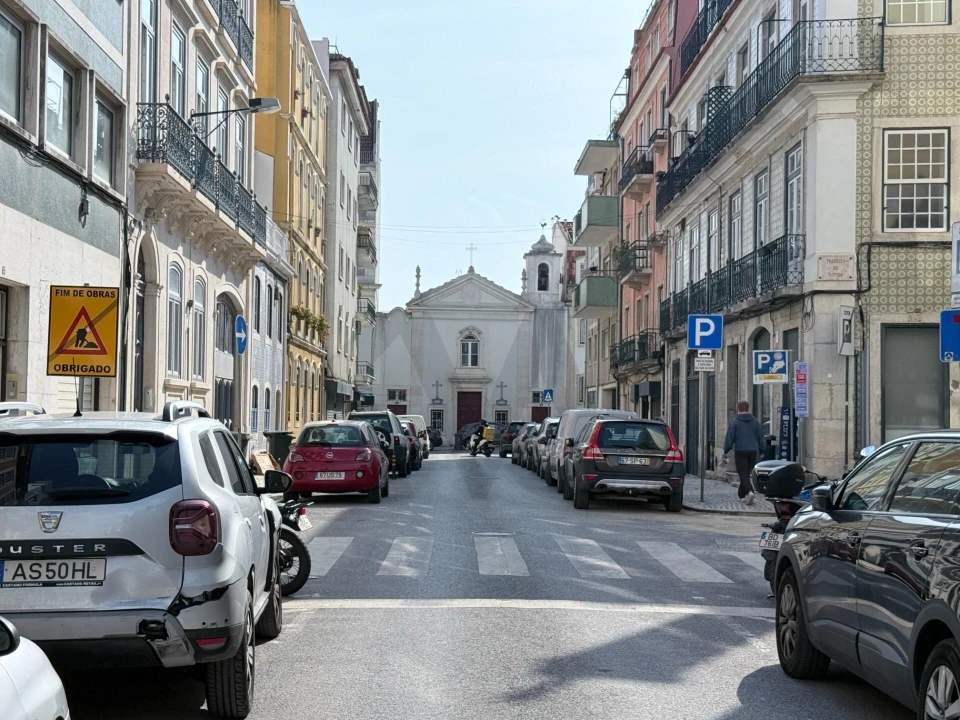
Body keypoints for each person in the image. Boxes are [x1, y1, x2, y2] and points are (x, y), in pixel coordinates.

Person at [723, 401, 764, 506]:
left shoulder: (735, 422)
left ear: (738, 409)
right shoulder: (755, 421)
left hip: (740, 450)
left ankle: (750, 492)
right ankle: (741, 494)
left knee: (742, 473)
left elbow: (730, 437)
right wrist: (762, 450)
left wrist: (726, 450)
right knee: (746, 473)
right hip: (753, 451)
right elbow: (760, 436)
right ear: (748, 409)